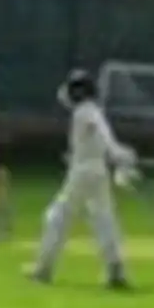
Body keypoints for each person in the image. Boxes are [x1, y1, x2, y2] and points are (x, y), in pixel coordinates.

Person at [29, 70, 135, 289]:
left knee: (57, 217)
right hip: (97, 171)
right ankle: (115, 268)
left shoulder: (86, 112)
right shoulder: (89, 111)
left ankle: (43, 269)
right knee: (104, 219)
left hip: (83, 172)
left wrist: (116, 152)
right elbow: (98, 138)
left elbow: (103, 134)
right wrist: (118, 157)